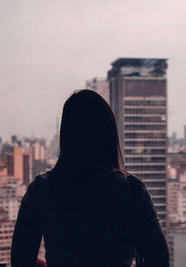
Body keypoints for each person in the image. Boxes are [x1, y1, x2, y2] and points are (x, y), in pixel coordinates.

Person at [11, 90, 169, 267]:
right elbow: (159, 260)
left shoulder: (41, 190)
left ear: (66, 135)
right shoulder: (132, 190)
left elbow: (20, 260)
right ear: (108, 135)